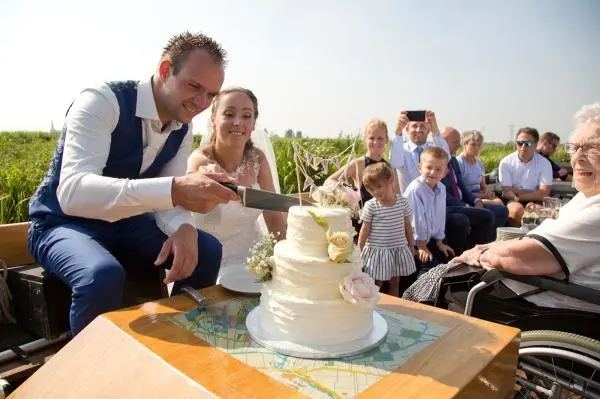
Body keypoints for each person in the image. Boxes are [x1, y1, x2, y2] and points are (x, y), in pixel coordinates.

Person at [27, 32, 239, 335]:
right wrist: (175, 189)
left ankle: (181, 336)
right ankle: (89, 372)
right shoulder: (101, 101)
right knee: (101, 275)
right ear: (165, 70)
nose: (201, 103)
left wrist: (185, 227)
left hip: (126, 224)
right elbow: (73, 192)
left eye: (211, 95)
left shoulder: (183, 127)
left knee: (206, 250)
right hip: (61, 223)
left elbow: (169, 201)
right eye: (194, 86)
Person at [449, 102, 600, 317]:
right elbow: (508, 191)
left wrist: (480, 252)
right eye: (574, 147)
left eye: (591, 147)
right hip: (542, 277)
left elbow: (523, 256)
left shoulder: (594, 210)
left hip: (552, 303)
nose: (578, 157)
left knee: (449, 289)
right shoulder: (586, 197)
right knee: (512, 211)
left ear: (535, 144)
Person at [186, 87, 286, 280]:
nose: (238, 122)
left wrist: (284, 260)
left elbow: (273, 215)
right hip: (208, 260)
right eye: (229, 114)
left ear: (254, 123)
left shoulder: (258, 159)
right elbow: (186, 202)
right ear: (214, 119)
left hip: (254, 259)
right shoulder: (199, 160)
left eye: (246, 116)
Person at [389, 112, 469, 256]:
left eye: (423, 126)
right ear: (407, 129)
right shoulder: (402, 150)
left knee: (482, 217)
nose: (419, 130)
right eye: (414, 126)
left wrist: (436, 130)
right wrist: (397, 131)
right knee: (460, 220)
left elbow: (446, 157)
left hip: (434, 207)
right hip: (413, 213)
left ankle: (460, 258)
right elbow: (394, 161)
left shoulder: (432, 150)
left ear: (428, 130)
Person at [326, 119, 400, 235]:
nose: (376, 142)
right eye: (371, 138)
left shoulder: (390, 167)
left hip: (385, 228)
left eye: (380, 138)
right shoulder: (358, 164)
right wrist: (346, 198)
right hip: (363, 227)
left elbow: (397, 197)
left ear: (386, 139)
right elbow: (329, 181)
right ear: (365, 139)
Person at [441, 128, 507, 249]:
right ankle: (474, 249)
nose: (458, 145)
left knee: (502, 210)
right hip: (455, 203)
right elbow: (445, 192)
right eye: (456, 142)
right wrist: (467, 203)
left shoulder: (454, 161)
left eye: (479, 145)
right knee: (481, 216)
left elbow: (461, 186)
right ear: (443, 142)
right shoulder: (445, 163)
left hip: (468, 198)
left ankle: (487, 245)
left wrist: (477, 199)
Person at [358, 163, 416, 297]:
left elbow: (407, 225)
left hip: (397, 248)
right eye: (371, 189)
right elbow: (365, 229)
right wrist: (359, 248)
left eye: (379, 186)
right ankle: (375, 306)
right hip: (378, 250)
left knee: (395, 280)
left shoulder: (402, 202)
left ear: (391, 181)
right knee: (377, 281)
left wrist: (411, 245)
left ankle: (392, 308)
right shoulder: (371, 205)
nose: (376, 191)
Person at [403, 147, 455, 271]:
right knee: (430, 263)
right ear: (420, 167)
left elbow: (440, 216)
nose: (433, 172)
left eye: (438, 169)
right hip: (412, 240)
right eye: (429, 168)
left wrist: (439, 242)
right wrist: (421, 246)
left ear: (445, 172)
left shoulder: (441, 188)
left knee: (449, 258)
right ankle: (420, 287)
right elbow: (417, 220)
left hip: (429, 238)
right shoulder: (416, 189)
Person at [498, 127, 553, 226]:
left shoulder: (544, 163)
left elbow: (544, 193)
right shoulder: (506, 162)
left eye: (528, 143)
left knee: (544, 214)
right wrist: (533, 192)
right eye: (520, 143)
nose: (523, 146)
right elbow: (506, 191)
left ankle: (534, 239)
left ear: (536, 145)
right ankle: (517, 238)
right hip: (512, 200)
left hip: (532, 200)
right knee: (515, 211)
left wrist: (518, 197)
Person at [456, 130, 504, 205]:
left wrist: (488, 192)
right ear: (465, 144)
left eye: (479, 145)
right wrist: (483, 195)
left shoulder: (479, 163)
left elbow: (483, 184)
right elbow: (460, 190)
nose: (477, 148)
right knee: (497, 205)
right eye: (473, 145)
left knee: (499, 202)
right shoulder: (458, 163)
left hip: (480, 194)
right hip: (468, 197)